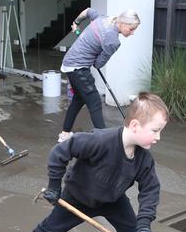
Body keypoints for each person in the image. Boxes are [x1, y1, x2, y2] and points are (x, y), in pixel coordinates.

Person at [0, 92, 170, 232]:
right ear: (135, 125)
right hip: (78, 198)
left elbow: (150, 190)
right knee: (47, 230)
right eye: (155, 131)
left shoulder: (144, 159)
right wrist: (53, 186)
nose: (158, 137)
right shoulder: (99, 140)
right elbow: (60, 152)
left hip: (113, 201)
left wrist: (144, 225)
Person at [57, 8, 140, 143]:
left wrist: (76, 23)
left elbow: (88, 11)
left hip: (69, 63)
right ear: (123, 23)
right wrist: (95, 50)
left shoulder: (102, 19)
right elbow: (98, 64)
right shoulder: (113, 41)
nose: (133, 33)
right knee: (95, 102)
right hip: (78, 68)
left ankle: (65, 134)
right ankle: (105, 142)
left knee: (79, 99)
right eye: (131, 29)